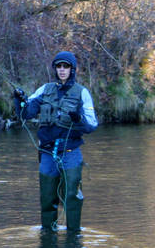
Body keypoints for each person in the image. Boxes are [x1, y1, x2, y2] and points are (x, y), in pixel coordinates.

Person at [12, 51, 98, 233]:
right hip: (47, 154)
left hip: (71, 154)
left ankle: (73, 236)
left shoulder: (82, 93)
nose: (62, 70)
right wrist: (18, 100)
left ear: (72, 69)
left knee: (72, 198)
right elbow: (26, 113)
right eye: (59, 66)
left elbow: (92, 125)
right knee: (47, 198)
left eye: (66, 66)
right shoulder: (45, 90)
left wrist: (79, 119)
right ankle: (48, 236)